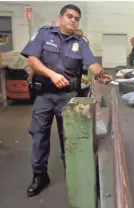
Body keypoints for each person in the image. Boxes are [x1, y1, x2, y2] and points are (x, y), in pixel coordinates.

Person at [21, 4, 112, 197]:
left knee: (70, 137)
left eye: (76, 18)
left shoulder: (80, 43)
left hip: (68, 98)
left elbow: (92, 63)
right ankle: (39, 176)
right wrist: (52, 75)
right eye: (69, 16)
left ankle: (74, 175)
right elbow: (32, 60)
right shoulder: (44, 35)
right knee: (39, 136)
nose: (73, 20)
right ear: (60, 17)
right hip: (44, 95)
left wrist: (101, 74)